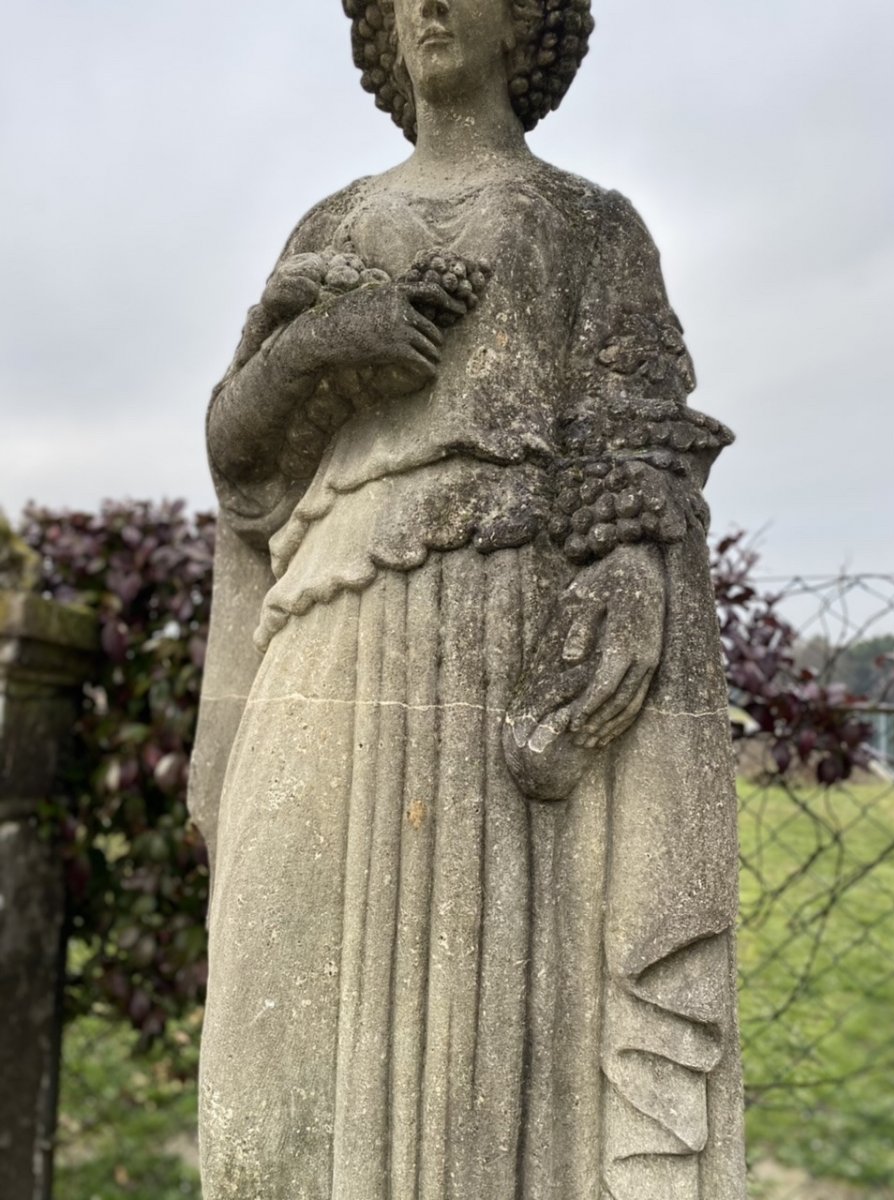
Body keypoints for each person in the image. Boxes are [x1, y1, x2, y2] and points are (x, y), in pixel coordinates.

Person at [190, 1, 748, 1196]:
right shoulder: (331, 224)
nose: (429, 6)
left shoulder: (589, 228)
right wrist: (316, 352)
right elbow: (238, 465)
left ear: (529, 25)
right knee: (274, 1034)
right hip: (322, 639)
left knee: (486, 1048)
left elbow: (638, 460)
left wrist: (626, 576)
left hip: (493, 658)